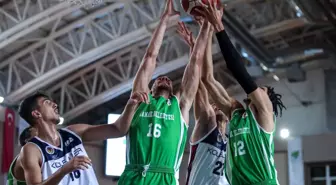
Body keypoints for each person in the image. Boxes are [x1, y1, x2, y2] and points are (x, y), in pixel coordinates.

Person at [117, 0, 211, 184]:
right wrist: (165, 20)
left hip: (165, 177)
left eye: (168, 80)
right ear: (150, 88)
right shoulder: (140, 101)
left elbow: (196, 62)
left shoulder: (180, 105)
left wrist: (206, 26)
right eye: (159, 78)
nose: (165, 79)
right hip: (134, 175)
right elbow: (150, 57)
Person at [197, 2, 286, 185]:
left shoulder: (265, 113)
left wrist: (219, 27)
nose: (259, 88)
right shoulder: (236, 113)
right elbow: (207, 78)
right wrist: (206, 30)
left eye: (263, 89)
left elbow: (238, 71)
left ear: (266, 99)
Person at [18, 90, 148, 185]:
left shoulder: (74, 132)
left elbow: (118, 130)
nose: (55, 105)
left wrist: (131, 105)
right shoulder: (32, 149)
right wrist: (64, 170)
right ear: (36, 113)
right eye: (47, 103)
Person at [177, 20, 229, 185]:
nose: (217, 106)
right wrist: (197, 46)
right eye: (214, 105)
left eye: (220, 104)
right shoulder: (206, 123)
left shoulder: (231, 140)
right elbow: (201, 83)